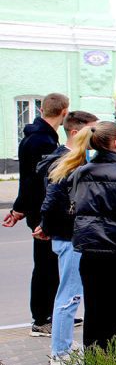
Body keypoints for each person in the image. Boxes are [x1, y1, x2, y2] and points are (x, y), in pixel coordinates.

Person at [54, 122, 116, 350]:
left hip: (91, 253)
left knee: (95, 313)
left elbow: (70, 209)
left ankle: (95, 364)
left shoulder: (78, 174)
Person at [37, 111, 98, 365]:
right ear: (76, 132)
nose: (96, 135)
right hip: (69, 236)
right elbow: (51, 201)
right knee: (69, 295)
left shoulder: (76, 158)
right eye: (92, 130)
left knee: (71, 294)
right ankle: (59, 355)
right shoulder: (67, 160)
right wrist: (47, 226)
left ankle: (63, 345)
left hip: (72, 234)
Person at [4, 92, 68, 336]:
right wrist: (21, 209)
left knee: (50, 265)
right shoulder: (43, 141)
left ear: (42, 110)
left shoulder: (38, 137)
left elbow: (27, 180)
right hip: (42, 212)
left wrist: (19, 209)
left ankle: (53, 313)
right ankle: (41, 320)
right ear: (64, 112)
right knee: (45, 267)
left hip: (38, 210)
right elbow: (33, 182)